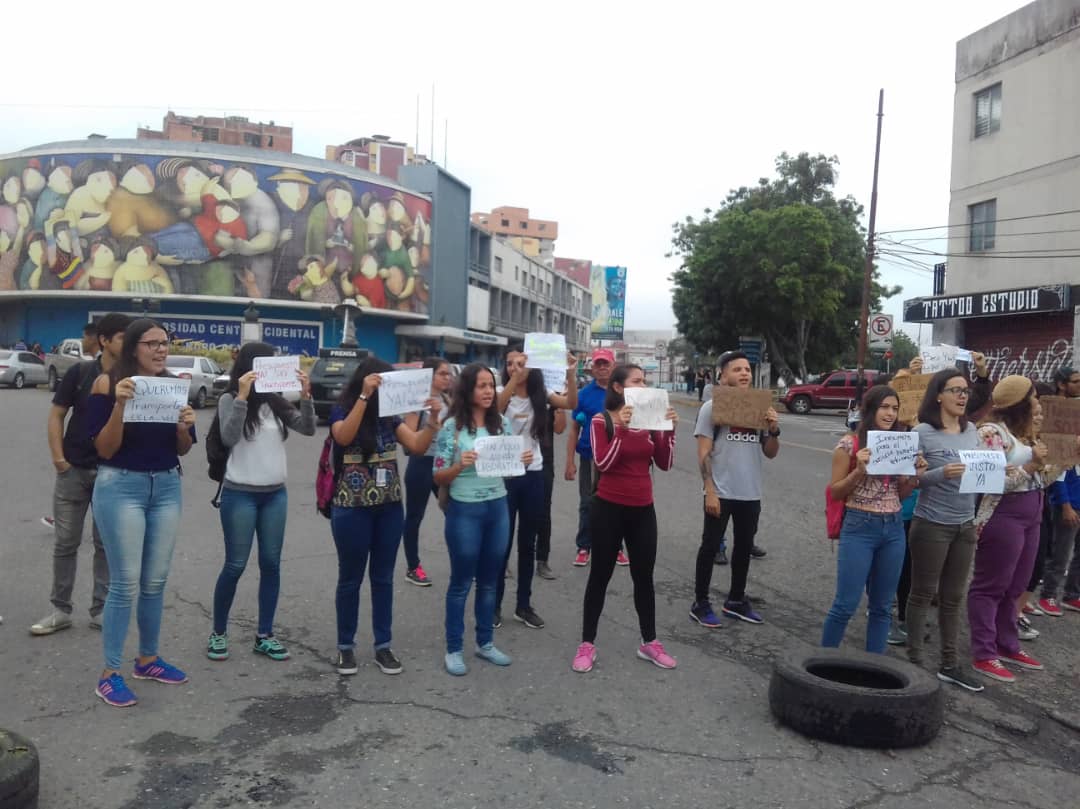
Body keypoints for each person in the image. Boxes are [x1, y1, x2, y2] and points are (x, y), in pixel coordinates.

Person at [88, 318, 197, 707]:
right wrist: (120, 404)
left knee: (155, 580)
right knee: (126, 582)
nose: (160, 350)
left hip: (166, 486)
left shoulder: (171, 387)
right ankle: (109, 673)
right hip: (122, 486)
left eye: (164, 343)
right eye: (151, 344)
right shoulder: (108, 384)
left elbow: (182, 449)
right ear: (134, 347)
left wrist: (185, 427)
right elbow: (104, 448)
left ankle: (147, 659)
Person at [329, 356, 441, 676]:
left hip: (389, 507)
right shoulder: (344, 408)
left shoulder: (391, 418)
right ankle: (345, 647)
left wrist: (431, 420)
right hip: (351, 507)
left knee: (383, 578)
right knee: (350, 579)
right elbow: (343, 437)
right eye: (382, 382)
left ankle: (383, 646)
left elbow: (417, 446)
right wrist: (364, 397)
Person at [207, 342, 317, 663]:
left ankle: (264, 635)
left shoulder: (277, 403)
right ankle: (218, 632)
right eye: (266, 364)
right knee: (235, 565)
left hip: (274, 495)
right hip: (239, 493)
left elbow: (308, 428)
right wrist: (242, 397)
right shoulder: (230, 399)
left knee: (271, 564)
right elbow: (228, 437)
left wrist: (307, 395)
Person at [572, 364, 678, 673]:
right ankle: (587, 643)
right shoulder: (600, 419)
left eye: (645, 380)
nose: (644, 385)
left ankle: (650, 642)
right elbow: (602, 461)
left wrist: (668, 431)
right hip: (608, 508)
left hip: (643, 509)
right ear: (619, 387)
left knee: (643, 577)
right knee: (600, 576)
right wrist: (621, 429)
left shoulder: (650, 421)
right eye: (637, 380)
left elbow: (665, 462)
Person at [31, 313, 129, 636]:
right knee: (65, 542)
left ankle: (100, 609)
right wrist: (59, 459)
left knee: (106, 545)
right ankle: (60, 609)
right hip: (73, 469)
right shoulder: (80, 373)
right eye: (122, 337)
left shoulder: (132, 379)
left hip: (112, 474)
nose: (129, 342)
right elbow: (57, 414)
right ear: (105, 340)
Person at [434, 363, 531, 676]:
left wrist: (521, 460)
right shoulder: (452, 428)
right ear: (468, 390)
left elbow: (505, 466)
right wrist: (460, 465)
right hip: (464, 510)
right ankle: (453, 648)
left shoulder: (500, 423)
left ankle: (485, 643)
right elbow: (438, 474)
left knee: (491, 581)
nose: (489, 391)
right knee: (461, 582)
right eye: (482, 386)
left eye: (492, 385)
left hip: (497, 507)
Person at [905, 366, 991, 693]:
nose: (961, 395)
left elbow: (982, 473)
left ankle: (949, 664)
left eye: (965, 391)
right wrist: (942, 473)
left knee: (953, 598)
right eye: (954, 390)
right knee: (923, 593)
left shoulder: (973, 432)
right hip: (931, 524)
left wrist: (996, 469)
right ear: (938, 395)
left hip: (964, 526)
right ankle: (914, 661)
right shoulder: (922, 432)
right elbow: (912, 479)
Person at [821, 386, 923, 653]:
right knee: (845, 603)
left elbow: (900, 495)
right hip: (859, 526)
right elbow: (835, 491)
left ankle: (874, 666)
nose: (890, 413)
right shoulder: (849, 445)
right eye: (884, 407)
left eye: (895, 408)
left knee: (881, 607)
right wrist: (858, 470)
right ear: (870, 410)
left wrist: (913, 477)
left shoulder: (900, 445)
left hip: (893, 528)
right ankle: (821, 662)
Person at [967, 377, 1049, 683]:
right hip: (1003, 515)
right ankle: (984, 651)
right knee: (991, 585)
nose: (1038, 402)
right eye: (1034, 397)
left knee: (1017, 584)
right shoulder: (990, 433)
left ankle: (1007, 642)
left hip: (1033, 511)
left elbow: (1042, 476)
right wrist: (1029, 467)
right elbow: (986, 481)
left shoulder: (1025, 434)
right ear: (1020, 402)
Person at [689, 351, 780, 627]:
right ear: (723, 375)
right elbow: (703, 451)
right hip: (721, 490)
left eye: (747, 369)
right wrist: (710, 490)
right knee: (710, 546)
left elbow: (771, 453)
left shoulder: (759, 407)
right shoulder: (711, 407)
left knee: (743, 548)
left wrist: (774, 429)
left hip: (750, 492)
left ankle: (736, 600)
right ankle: (701, 603)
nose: (744, 373)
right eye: (737, 369)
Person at [494, 346, 578, 628]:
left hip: (533, 474)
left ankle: (523, 604)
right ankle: (494, 605)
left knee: (527, 543)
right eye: (509, 364)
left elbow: (570, 404)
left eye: (521, 363)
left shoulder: (541, 397)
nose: (515, 368)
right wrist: (514, 381)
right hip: (505, 476)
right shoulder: (499, 394)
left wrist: (571, 373)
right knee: (501, 543)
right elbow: (495, 409)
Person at [566, 349, 628, 567]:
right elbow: (574, 429)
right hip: (589, 457)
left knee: (616, 504)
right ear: (592, 368)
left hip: (617, 459)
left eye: (606, 364)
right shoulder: (583, 395)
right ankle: (584, 546)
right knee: (587, 502)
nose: (602, 368)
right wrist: (569, 462)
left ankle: (616, 547)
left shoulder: (623, 394)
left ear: (613, 367)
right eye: (598, 364)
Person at [400, 357, 455, 587]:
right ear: (429, 375)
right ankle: (413, 566)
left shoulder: (447, 400)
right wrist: (433, 427)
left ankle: (462, 561)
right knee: (414, 516)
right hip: (421, 462)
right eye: (443, 373)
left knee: (454, 512)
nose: (448, 377)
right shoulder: (418, 401)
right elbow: (408, 440)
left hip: (443, 463)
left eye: (449, 374)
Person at [1037, 366, 1080, 617]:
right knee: (1060, 551)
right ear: (1062, 384)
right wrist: (1064, 503)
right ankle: (1049, 594)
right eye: (1076, 381)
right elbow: (1058, 469)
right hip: (1067, 497)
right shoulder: (1054, 420)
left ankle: (1072, 594)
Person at [535, 402, 567, 580]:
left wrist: (559, 404)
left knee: (543, 511)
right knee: (509, 512)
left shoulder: (549, 396)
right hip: (514, 461)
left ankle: (542, 560)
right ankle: (503, 560)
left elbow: (560, 428)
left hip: (544, 461)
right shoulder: (510, 395)